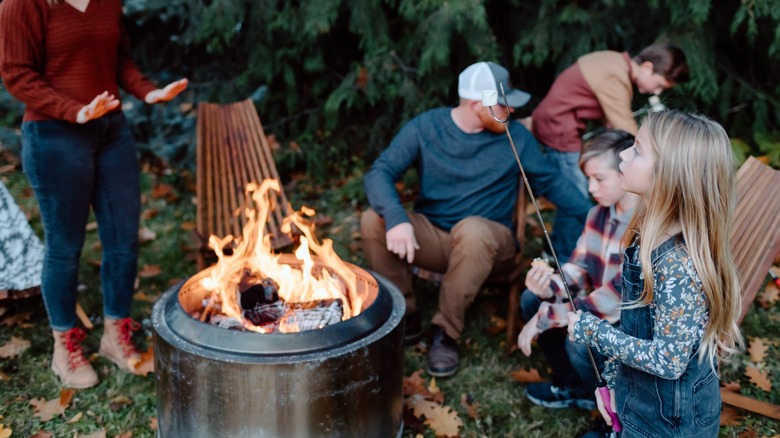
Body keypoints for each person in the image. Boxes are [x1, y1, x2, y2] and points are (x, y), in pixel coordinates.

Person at [361, 61, 592, 377]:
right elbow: (380, 172)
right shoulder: (426, 127)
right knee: (374, 219)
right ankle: (405, 314)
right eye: (502, 102)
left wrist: (598, 215)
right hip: (436, 236)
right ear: (474, 103)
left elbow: (552, 182)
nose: (509, 108)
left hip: (492, 243)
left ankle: (445, 333)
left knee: (471, 230)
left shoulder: (515, 137)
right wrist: (397, 218)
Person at [0, 0, 188, 388]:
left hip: (111, 132)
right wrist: (74, 110)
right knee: (65, 246)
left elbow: (121, 61)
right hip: (54, 136)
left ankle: (114, 336)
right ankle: (64, 347)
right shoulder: (22, 4)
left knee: (123, 241)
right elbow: (16, 74)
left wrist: (148, 92)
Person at [568, 110, 744, 437]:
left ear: (669, 175)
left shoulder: (677, 264)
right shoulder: (645, 234)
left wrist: (593, 331)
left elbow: (667, 361)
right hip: (640, 400)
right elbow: (640, 329)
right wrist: (613, 380)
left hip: (670, 423)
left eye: (636, 150)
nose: (622, 153)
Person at [517, 130, 638, 413]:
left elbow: (616, 299)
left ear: (625, 173)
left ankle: (612, 409)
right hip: (600, 309)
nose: (591, 189)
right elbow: (580, 266)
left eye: (599, 179)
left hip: (629, 323)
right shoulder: (598, 214)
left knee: (579, 342)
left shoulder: (643, 228)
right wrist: (551, 286)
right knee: (530, 299)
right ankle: (578, 386)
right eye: (588, 180)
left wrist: (547, 317)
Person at [532, 43, 690, 199]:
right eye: (659, 85)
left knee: (572, 194)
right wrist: (655, 154)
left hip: (557, 125)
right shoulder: (615, 77)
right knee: (576, 196)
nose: (657, 91)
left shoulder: (615, 62)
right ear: (647, 68)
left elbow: (608, 116)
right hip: (558, 129)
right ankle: (580, 224)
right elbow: (626, 128)